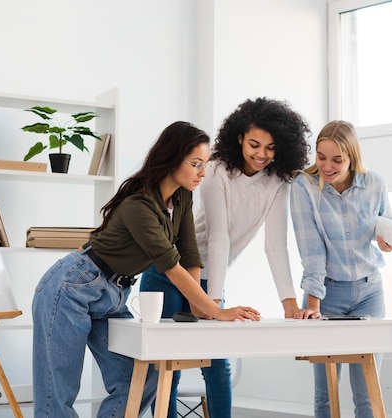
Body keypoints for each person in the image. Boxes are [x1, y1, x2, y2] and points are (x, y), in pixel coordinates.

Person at [31, 121, 261, 418]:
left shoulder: (181, 196)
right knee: (57, 396)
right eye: (196, 164)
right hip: (72, 286)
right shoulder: (138, 205)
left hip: (114, 294)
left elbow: (189, 252)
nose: (203, 173)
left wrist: (198, 306)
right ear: (172, 158)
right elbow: (171, 266)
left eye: (205, 164)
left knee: (142, 379)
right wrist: (216, 310)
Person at [140, 97, 311, 417]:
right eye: (254, 144)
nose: (261, 154)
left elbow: (275, 244)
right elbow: (218, 238)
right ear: (239, 138)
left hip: (209, 281)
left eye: (271, 147)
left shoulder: (278, 183)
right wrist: (213, 303)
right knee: (169, 368)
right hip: (169, 273)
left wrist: (289, 303)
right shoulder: (215, 170)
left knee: (218, 368)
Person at [289, 120, 392, 418]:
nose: (327, 166)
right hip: (327, 295)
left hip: (369, 292)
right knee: (327, 392)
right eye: (321, 157)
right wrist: (313, 304)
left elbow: (385, 226)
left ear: (352, 157)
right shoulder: (304, 187)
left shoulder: (375, 183)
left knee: (366, 391)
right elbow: (311, 250)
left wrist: (387, 240)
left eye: (337, 159)